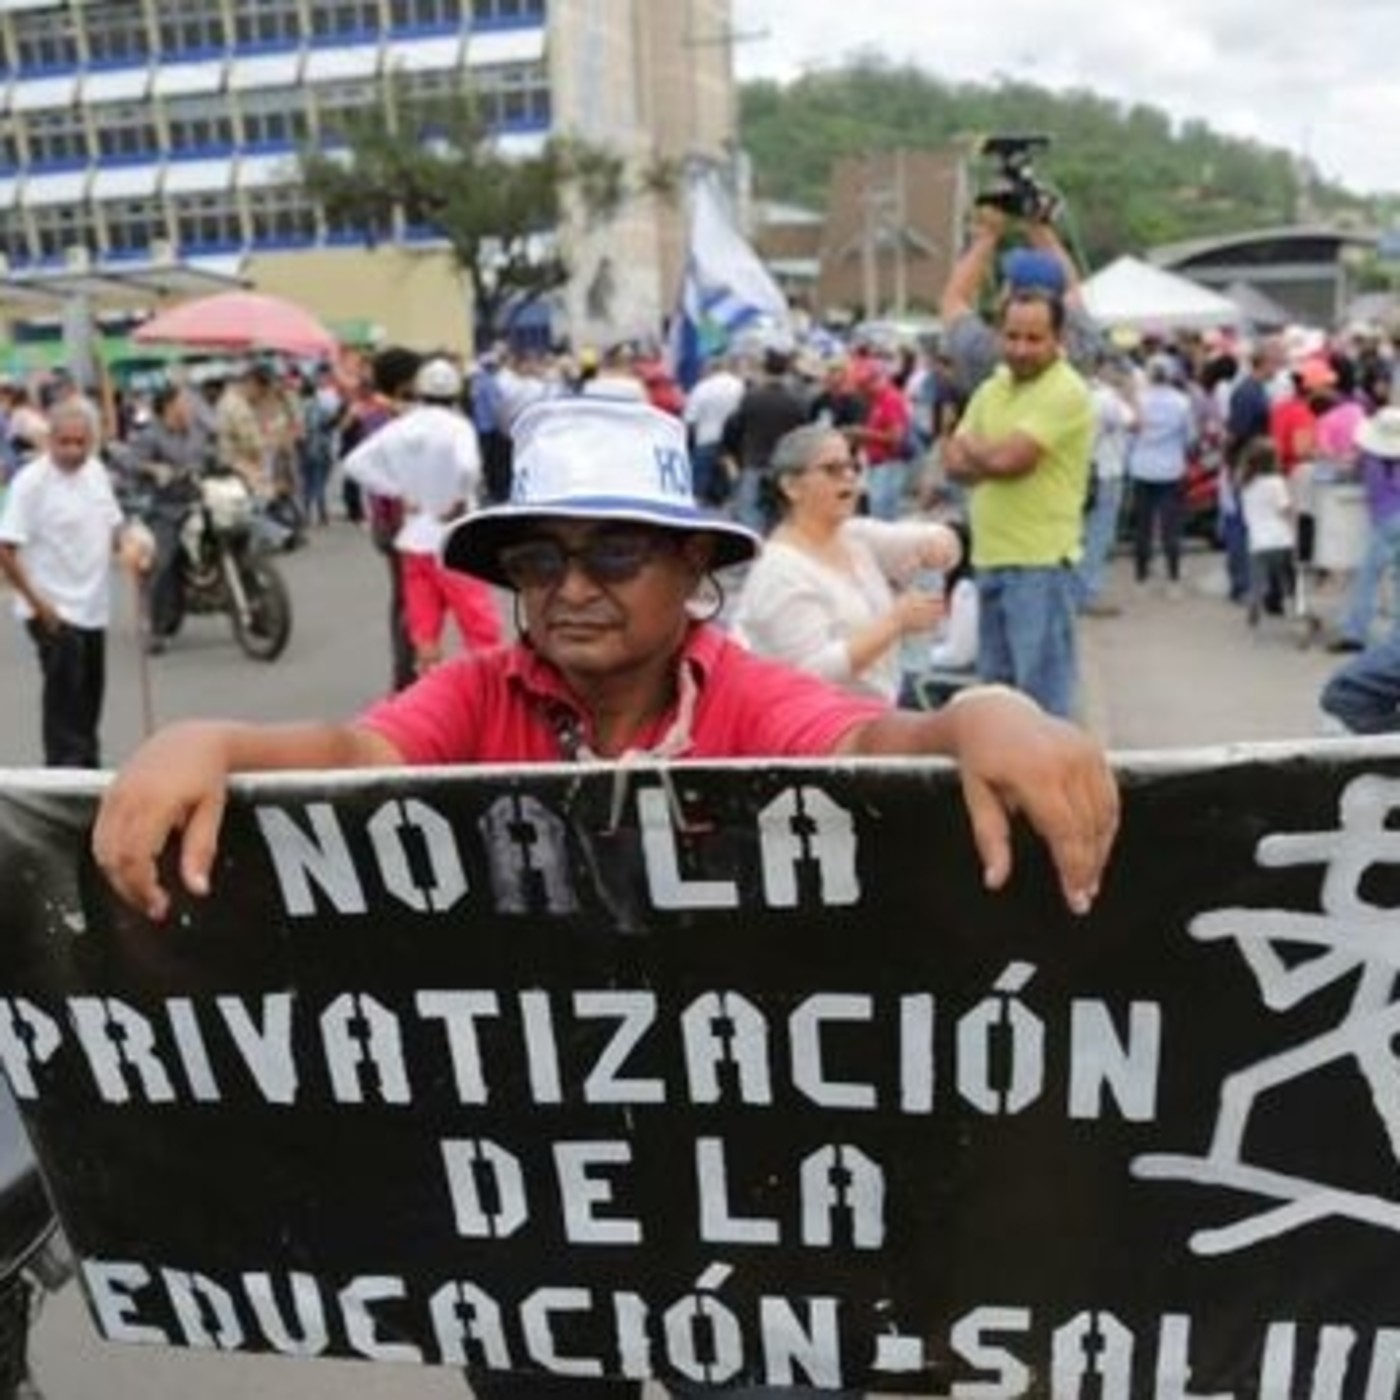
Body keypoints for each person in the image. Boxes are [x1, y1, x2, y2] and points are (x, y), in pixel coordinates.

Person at [91, 396, 1116, 1400]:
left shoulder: (747, 695)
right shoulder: (476, 691)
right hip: (539, 1201)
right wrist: (211, 741)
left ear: (692, 570)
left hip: (750, 1200)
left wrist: (985, 711)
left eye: (613, 554)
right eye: (540, 560)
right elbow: (355, 755)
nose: (571, 586)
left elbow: (867, 742)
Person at [943, 288, 1094, 719]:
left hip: (1040, 565)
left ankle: (1050, 788)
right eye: (1012, 336)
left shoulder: (1065, 390)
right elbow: (952, 464)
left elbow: (1010, 462)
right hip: (990, 558)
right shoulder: (994, 387)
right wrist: (982, 454)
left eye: (1034, 338)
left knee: (1043, 708)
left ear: (1057, 337)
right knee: (997, 708)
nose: (1021, 348)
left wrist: (976, 447)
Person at [731, 424, 959, 703]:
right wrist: (894, 623)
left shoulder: (854, 535)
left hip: (873, 715)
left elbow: (936, 540)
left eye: (853, 466)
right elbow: (809, 673)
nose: (850, 477)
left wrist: (938, 543)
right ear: (791, 487)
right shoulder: (779, 570)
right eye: (832, 469)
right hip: (815, 729)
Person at [0, 396, 151, 767]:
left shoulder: (96, 473)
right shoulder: (30, 483)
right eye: (64, 442)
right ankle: (65, 784)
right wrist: (40, 605)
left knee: (88, 702)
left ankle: (88, 780)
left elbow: (114, 525)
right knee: (65, 712)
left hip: (93, 608)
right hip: (52, 609)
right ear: (50, 440)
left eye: (80, 442)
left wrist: (129, 546)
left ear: (91, 441)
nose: (72, 450)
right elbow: (5, 548)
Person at [341, 356, 502, 676]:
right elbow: (469, 466)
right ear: (456, 393)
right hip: (456, 543)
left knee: (424, 631)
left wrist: (397, 491)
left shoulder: (401, 427)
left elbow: (355, 463)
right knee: (481, 628)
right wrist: (457, 497)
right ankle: (490, 693)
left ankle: (427, 691)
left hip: (414, 539)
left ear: (420, 391)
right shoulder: (458, 427)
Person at [938, 203, 1101, 399]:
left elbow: (953, 299)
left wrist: (988, 235)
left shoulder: (985, 351)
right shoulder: (1082, 346)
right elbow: (1072, 290)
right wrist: (1040, 228)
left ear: (1009, 295)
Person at [127, 384, 211, 652]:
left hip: (200, 501)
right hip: (165, 508)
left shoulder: (197, 432)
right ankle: (151, 627)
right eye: (183, 402)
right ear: (168, 408)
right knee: (161, 562)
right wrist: (153, 469)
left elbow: (210, 455)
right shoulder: (150, 436)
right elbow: (131, 462)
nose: (188, 407)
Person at [1127, 352, 1196, 597]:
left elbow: (1130, 434)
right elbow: (1190, 438)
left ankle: (1141, 580)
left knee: (1143, 528)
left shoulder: (1139, 401)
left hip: (1142, 468)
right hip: (1171, 469)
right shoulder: (1182, 402)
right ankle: (1173, 581)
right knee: (1171, 528)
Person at [1331, 406, 1400, 652]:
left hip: (1385, 521)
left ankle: (1355, 631)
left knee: (1367, 577)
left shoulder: (1369, 459)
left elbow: (1348, 471)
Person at [720, 348, 810, 534]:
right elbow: (803, 435)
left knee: (750, 515)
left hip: (753, 462)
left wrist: (734, 457)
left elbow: (734, 428)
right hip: (783, 466)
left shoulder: (751, 397)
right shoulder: (797, 401)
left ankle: (756, 553)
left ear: (764, 369)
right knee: (779, 515)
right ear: (786, 370)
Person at [1075, 356, 1137, 617]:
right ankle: (1087, 593)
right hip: (1106, 472)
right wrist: (1130, 394)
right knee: (1099, 535)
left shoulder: (1079, 392)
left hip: (1083, 472)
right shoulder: (1107, 398)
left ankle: (1076, 590)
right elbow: (1137, 422)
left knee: (1082, 535)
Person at [1237, 436, 1295, 629]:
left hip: (1257, 541)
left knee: (1257, 579)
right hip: (1280, 540)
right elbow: (1284, 509)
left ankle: (1254, 605)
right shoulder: (1276, 482)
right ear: (1273, 460)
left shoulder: (1246, 484)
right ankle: (1291, 607)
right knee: (1286, 578)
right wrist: (1294, 520)